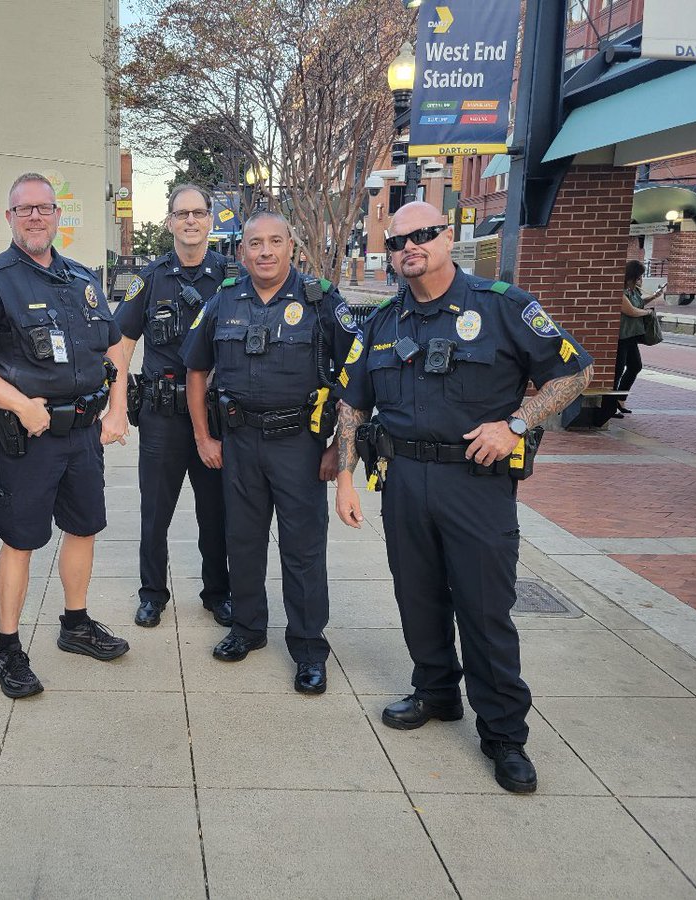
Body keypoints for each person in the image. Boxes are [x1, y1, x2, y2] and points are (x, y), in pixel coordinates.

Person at [334, 201, 593, 794]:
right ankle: (436, 691)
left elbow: (574, 371)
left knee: (483, 609)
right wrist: (346, 476)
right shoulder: (381, 323)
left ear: (448, 237)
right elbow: (353, 400)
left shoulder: (503, 306)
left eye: (422, 235)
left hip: (475, 484)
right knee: (417, 597)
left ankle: (504, 736)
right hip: (402, 481)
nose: (409, 248)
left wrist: (516, 426)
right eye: (398, 241)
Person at [0, 172, 129, 699]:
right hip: (28, 437)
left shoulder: (81, 278)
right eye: (24, 209)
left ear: (57, 216)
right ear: (9, 218)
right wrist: (19, 404)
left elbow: (114, 347)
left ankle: (75, 624)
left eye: (44, 208)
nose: (34, 216)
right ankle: (8, 649)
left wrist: (117, 409)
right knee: (21, 541)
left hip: (84, 434)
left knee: (84, 528)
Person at [180, 210, 356, 693]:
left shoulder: (321, 301)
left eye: (275, 242)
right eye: (255, 244)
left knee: (303, 550)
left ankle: (307, 647)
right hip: (238, 443)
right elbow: (196, 370)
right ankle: (248, 629)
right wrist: (202, 437)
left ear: (291, 248)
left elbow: (353, 380)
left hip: (299, 445)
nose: (264, 252)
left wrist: (338, 453)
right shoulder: (222, 302)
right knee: (243, 541)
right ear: (242, 252)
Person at [108, 184, 232, 629]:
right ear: (169, 223)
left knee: (215, 512)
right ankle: (152, 594)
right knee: (155, 512)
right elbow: (119, 344)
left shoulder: (230, 278)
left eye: (199, 213)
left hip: (215, 418)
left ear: (211, 220)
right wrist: (117, 404)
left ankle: (218, 592)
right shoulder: (151, 278)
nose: (191, 221)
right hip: (161, 415)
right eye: (182, 214)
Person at [613, 259, 664, 416]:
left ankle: (620, 398)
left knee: (635, 366)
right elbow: (631, 311)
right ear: (632, 276)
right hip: (622, 337)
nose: (641, 280)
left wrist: (654, 296)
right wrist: (648, 313)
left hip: (632, 336)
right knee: (617, 370)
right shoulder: (621, 292)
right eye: (640, 277)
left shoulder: (634, 291)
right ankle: (609, 405)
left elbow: (638, 303)